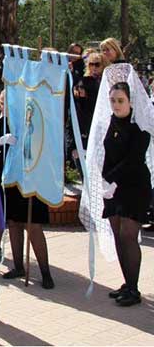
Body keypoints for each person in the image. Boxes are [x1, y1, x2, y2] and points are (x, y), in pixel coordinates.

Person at [0, 91, 54, 289]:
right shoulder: (1, 121)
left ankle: (45, 272)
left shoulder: (31, 119)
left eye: (4, 103)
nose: (1, 106)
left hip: (30, 175)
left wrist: (20, 141)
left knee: (34, 225)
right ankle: (18, 266)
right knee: (13, 223)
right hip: (9, 175)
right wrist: (2, 140)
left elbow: (39, 144)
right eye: (1, 103)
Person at [101, 81, 151, 306]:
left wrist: (112, 180)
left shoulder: (140, 125)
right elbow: (107, 151)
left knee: (128, 235)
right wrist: (104, 178)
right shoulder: (112, 121)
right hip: (114, 186)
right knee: (118, 234)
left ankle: (134, 289)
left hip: (134, 186)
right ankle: (127, 282)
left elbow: (133, 159)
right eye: (112, 100)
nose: (116, 105)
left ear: (131, 101)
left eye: (120, 100)